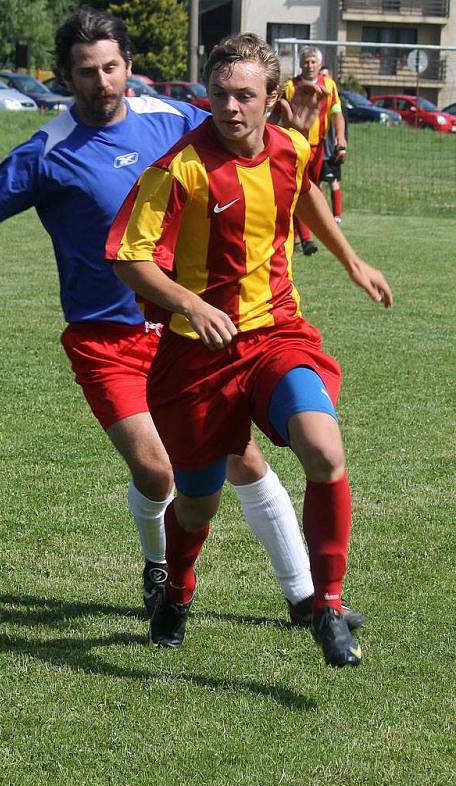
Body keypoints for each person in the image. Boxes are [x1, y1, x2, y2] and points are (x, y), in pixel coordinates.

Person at [0, 7, 363, 631]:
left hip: (182, 334)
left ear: (129, 68)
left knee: (241, 458)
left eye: (112, 67)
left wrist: (285, 122)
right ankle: (160, 573)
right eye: (87, 71)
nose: (102, 82)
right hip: (105, 335)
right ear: (64, 77)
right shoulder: (48, 152)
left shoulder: (174, 121)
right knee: (158, 467)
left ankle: (305, 597)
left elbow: (245, 138)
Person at [109, 33, 392, 666]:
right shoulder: (179, 168)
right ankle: (178, 591)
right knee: (199, 498)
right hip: (197, 359)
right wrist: (191, 303)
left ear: (272, 98)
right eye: (219, 94)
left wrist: (351, 260)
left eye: (244, 95)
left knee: (323, 447)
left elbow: (305, 196)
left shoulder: (291, 147)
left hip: (276, 336)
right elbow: (129, 257)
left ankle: (327, 604)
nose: (230, 107)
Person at [284, 47, 346, 255]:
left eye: (312, 62)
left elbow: (336, 113)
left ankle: (300, 237)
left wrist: (341, 137)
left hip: (318, 148)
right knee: (298, 189)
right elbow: (279, 114)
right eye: (306, 62)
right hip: (295, 145)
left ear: (319, 65)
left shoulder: (329, 85)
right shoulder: (291, 86)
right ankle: (306, 239)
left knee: (312, 189)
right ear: (300, 64)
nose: (309, 65)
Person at [319, 68, 347, 225]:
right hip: (315, 150)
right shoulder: (314, 101)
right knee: (314, 185)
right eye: (320, 75)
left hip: (329, 152)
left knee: (332, 180)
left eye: (325, 75)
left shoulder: (336, 103)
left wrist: (341, 146)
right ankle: (321, 215)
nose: (322, 78)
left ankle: (336, 216)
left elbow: (343, 126)